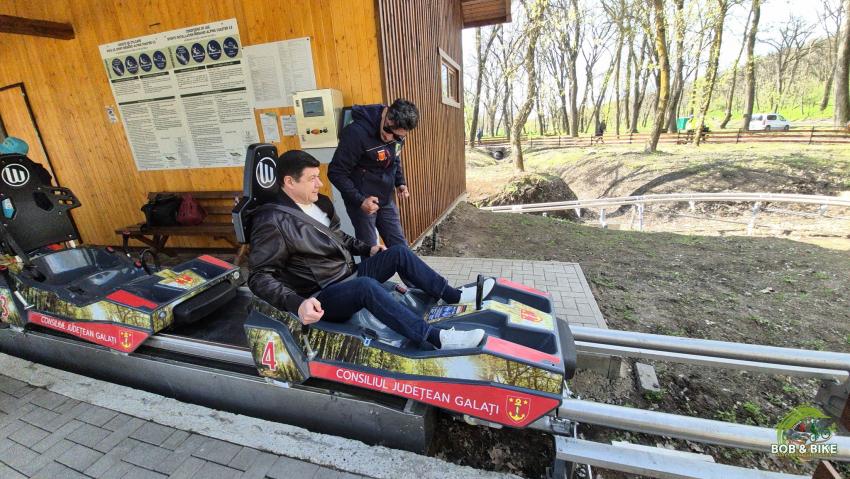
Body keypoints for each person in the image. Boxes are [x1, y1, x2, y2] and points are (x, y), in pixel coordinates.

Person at [249, 150, 494, 350]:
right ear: (289, 182)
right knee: (365, 288)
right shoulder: (272, 221)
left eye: (318, 176)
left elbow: (339, 237)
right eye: (312, 178)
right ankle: (436, 338)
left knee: (398, 252)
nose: (319, 183)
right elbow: (259, 276)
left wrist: (368, 249)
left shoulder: (318, 204)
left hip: (348, 275)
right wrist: (296, 303)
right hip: (323, 295)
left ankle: (453, 296)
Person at [328, 99, 418, 248]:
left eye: (398, 137)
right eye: (389, 131)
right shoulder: (356, 133)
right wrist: (360, 200)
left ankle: (412, 271)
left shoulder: (397, 134)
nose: (390, 138)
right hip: (362, 200)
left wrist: (400, 182)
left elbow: (394, 158)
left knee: (400, 247)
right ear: (386, 116)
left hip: (385, 197)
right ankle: (369, 272)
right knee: (371, 251)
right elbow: (336, 172)